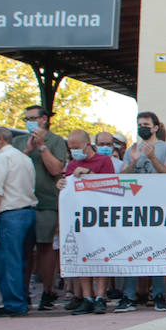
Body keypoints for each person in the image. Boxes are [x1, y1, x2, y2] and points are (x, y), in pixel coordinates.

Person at [118, 112, 166, 311]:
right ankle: (129, 296)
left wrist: (152, 158)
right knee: (132, 250)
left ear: (155, 127)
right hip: (135, 207)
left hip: (159, 207)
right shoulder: (131, 150)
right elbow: (123, 178)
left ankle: (159, 294)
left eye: (146, 124)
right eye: (139, 124)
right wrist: (134, 161)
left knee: (159, 250)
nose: (142, 127)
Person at [11, 105, 68, 311]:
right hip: (20, 203)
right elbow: (11, 170)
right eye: (26, 118)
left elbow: (56, 169)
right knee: (24, 250)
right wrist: (27, 150)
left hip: (47, 203)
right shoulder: (17, 142)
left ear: (44, 119)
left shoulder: (57, 141)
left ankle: (48, 291)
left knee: (45, 248)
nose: (29, 122)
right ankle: (22, 292)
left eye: (33, 118)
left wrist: (42, 146)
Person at [57, 130, 115, 314]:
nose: (74, 151)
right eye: (71, 148)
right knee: (82, 254)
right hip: (79, 218)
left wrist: (90, 174)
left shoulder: (104, 161)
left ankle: (100, 297)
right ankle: (87, 296)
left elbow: (111, 185)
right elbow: (67, 188)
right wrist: (61, 185)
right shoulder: (72, 164)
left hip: (99, 216)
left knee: (101, 255)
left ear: (87, 145)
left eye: (76, 147)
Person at [0, 127, 37, 318]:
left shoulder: (1, 159)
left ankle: (14, 303)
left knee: (8, 261)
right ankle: (21, 299)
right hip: (28, 212)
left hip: (9, 214)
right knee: (22, 260)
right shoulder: (24, 158)